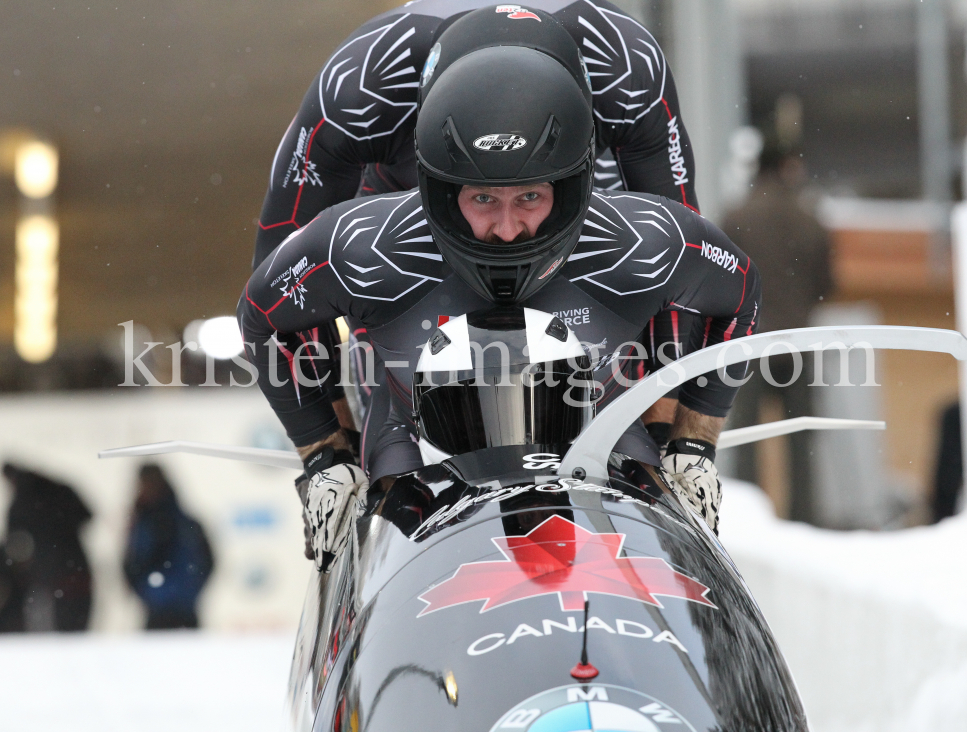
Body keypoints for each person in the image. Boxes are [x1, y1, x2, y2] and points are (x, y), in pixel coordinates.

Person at [237, 28, 761, 570]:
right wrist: (328, 452)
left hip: (596, 359)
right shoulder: (368, 237)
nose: (507, 231)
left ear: (571, 186)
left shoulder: (638, 226)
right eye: (484, 198)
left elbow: (734, 289)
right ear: (442, 188)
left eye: (529, 197)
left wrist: (684, 440)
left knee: (640, 421)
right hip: (395, 254)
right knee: (385, 430)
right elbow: (264, 311)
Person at [253, 3, 702, 466]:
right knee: (390, 400)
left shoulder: (623, 66)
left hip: (571, 190)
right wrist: (330, 450)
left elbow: (681, 262)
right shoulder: (362, 87)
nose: (507, 234)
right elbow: (284, 273)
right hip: (410, 195)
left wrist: (665, 430)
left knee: (612, 356)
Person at [721, 140, 831, 523]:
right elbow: (827, 285)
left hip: (750, 344)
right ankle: (804, 520)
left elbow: (720, 281)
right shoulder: (810, 218)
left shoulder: (737, 217)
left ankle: (749, 522)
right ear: (786, 167)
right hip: (799, 341)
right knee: (803, 439)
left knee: (745, 438)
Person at [1, 463, 93, 632]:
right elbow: (87, 515)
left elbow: (14, 544)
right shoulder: (59, 491)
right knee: (74, 630)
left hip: (47, 577)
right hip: (74, 570)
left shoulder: (21, 504)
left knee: (46, 634)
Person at [123, 464, 214, 630]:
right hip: (157, 611)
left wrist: (190, 591)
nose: (147, 488)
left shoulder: (184, 523)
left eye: (150, 483)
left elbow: (208, 562)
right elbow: (130, 564)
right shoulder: (142, 523)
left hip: (183, 610)